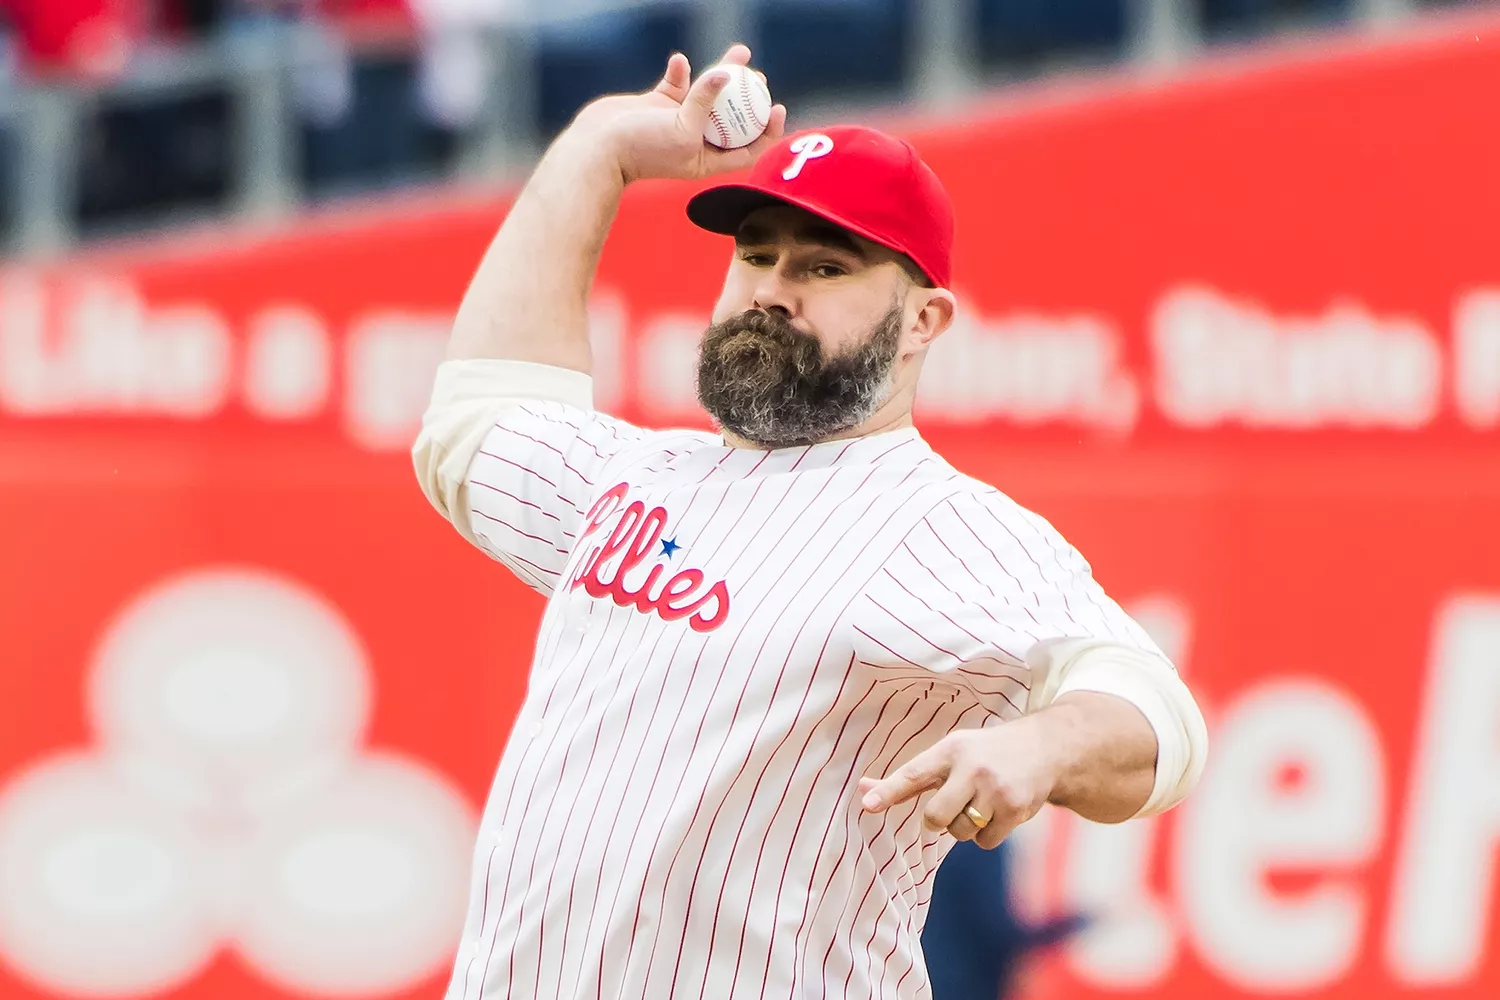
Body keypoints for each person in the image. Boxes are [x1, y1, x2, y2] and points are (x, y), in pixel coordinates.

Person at [412, 44, 1207, 1000]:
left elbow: (1158, 714)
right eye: (756, 252)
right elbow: (477, 420)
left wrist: (1040, 746)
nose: (772, 287)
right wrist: (599, 151)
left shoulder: (939, 526)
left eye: (826, 266)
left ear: (923, 321)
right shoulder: (637, 476)